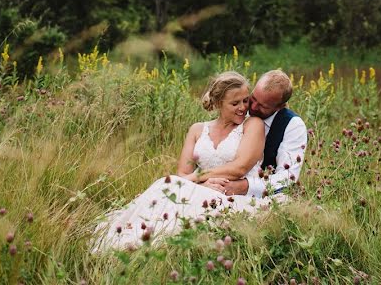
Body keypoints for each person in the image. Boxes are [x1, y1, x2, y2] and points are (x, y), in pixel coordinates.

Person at [90, 71, 267, 252]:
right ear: (218, 103)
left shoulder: (252, 124)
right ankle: (132, 241)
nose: (243, 107)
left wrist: (197, 178)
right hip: (204, 190)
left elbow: (240, 167)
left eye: (246, 100)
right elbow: (182, 173)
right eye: (235, 103)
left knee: (176, 197)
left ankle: (148, 246)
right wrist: (203, 184)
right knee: (166, 184)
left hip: (234, 196)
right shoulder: (198, 129)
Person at [201, 69, 308, 198]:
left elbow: (287, 178)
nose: (253, 107)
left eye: (263, 106)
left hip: (260, 197)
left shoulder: (293, 126)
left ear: (281, 106)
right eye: (253, 98)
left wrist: (243, 187)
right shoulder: (239, 110)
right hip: (213, 184)